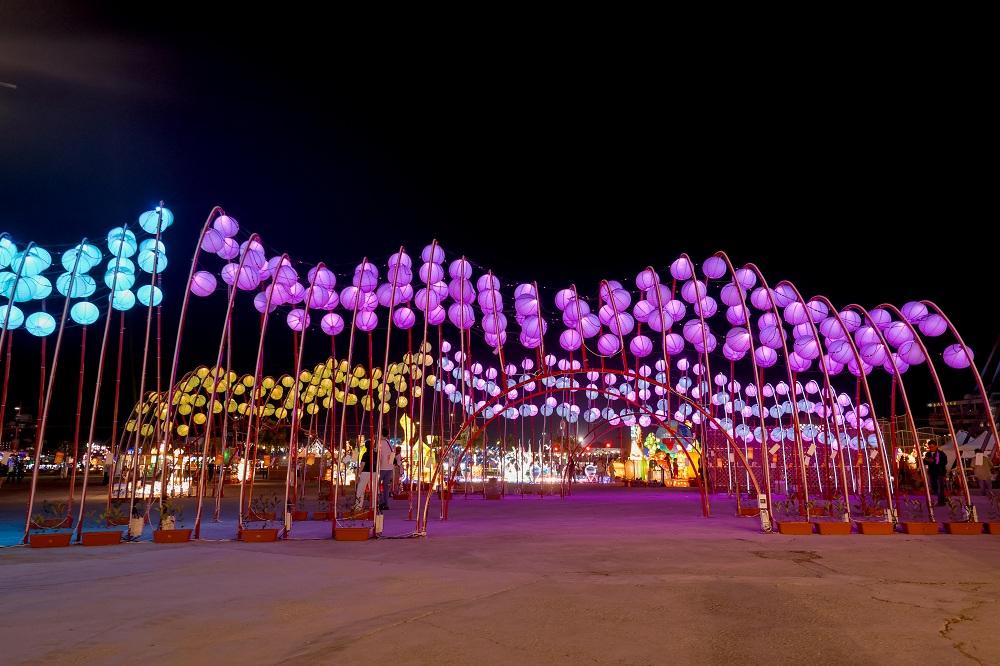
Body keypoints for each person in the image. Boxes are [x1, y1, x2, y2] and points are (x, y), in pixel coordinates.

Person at [923, 440, 949, 506]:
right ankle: (943, 498)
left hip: (940, 472)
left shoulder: (941, 454)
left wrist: (934, 461)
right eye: (930, 447)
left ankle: (941, 502)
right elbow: (924, 462)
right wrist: (928, 460)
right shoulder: (928, 454)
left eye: (932, 447)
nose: (931, 448)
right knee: (933, 486)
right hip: (932, 473)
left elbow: (945, 462)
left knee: (940, 487)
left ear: (936, 446)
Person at [353, 437, 374, 512]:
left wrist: (358, 475)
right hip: (374, 473)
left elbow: (362, 466)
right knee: (373, 490)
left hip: (365, 472)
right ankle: (374, 506)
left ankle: (358, 507)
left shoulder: (365, 454)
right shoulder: (376, 454)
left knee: (360, 490)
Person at [376, 427, 394, 511]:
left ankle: (381, 500)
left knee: (376, 484)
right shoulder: (389, 442)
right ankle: (386, 504)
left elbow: (378, 454)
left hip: (382, 466)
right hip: (389, 467)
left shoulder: (380, 443)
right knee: (386, 486)